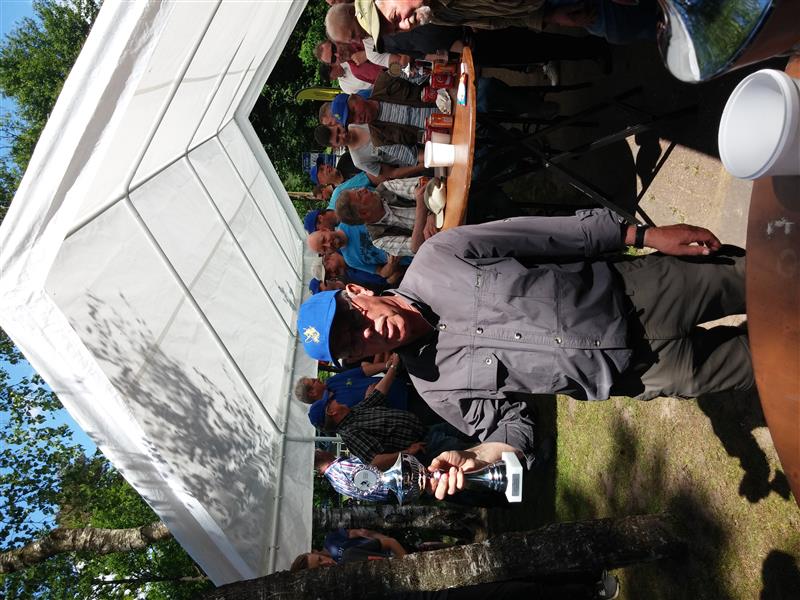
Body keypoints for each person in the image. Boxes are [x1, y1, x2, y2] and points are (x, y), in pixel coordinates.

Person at [296, 208, 752, 498]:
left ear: (357, 291)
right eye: (353, 345)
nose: (367, 334)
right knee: (765, 365)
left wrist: (644, 234)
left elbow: (548, 235)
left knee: (764, 279)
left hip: (640, 292)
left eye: (354, 321)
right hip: (638, 371)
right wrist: (478, 458)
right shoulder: (434, 387)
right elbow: (512, 428)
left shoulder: (438, 257)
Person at [359, 0, 658, 44]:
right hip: (549, 5)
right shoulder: (434, 13)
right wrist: (549, 17)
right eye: (395, 30)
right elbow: (494, 20)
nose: (405, 26)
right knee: (620, 28)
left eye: (394, 18)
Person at [335, 178, 437, 256]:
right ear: (364, 213)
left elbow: (428, 184)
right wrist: (423, 208)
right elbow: (416, 248)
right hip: (440, 237)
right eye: (360, 195)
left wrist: (430, 214)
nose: (364, 188)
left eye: (358, 189)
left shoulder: (385, 188)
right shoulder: (379, 239)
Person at [314, 122, 424, 184]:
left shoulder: (357, 120)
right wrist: (422, 166)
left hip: (418, 129)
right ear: (335, 146)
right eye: (338, 140)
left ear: (335, 124)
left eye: (338, 130)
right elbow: (392, 173)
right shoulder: (359, 160)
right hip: (417, 156)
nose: (343, 135)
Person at [294, 354, 408, 410]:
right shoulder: (333, 409)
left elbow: (363, 371)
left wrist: (386, 365)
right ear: (312, 393)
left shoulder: (331, 382)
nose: (318, 379)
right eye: (314, 381)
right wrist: (392, 367)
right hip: (403, 406)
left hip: (401, 385)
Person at [307, 228, 406, 282]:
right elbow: (382, 273)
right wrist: (391, 264)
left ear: (325, 230)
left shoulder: (348, 220)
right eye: (324, 249)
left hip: (406, 232)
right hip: (409, 257)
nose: (328, 245)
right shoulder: (351, 261)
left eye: (324, 239)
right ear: (326, 253)